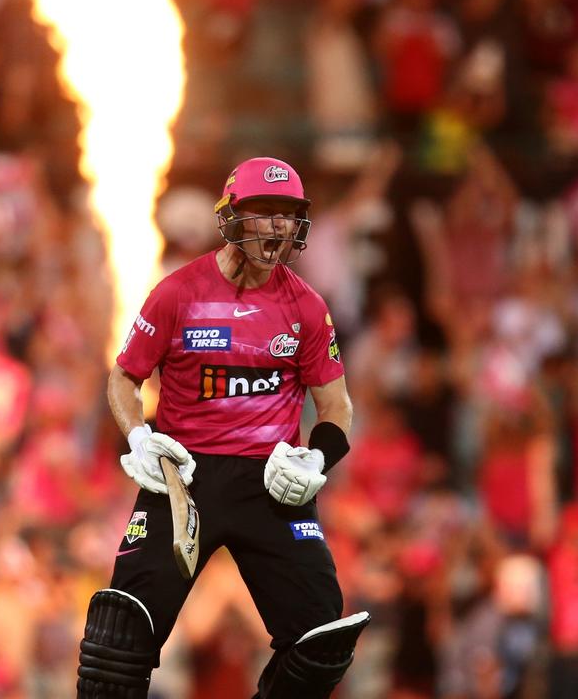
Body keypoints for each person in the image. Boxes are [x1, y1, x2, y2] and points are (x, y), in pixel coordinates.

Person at [76, 157, 369, 699]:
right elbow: (123, 378)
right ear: (232, 215)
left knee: (321, 641)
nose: (278, 226)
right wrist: (139, 438)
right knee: (119, 642)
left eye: (287, 214)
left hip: (271, 483)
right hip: (185, 478)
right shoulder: (177, 293)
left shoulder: (308, 307)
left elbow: (338, 408)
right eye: (265, 212)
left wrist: (317, 461)